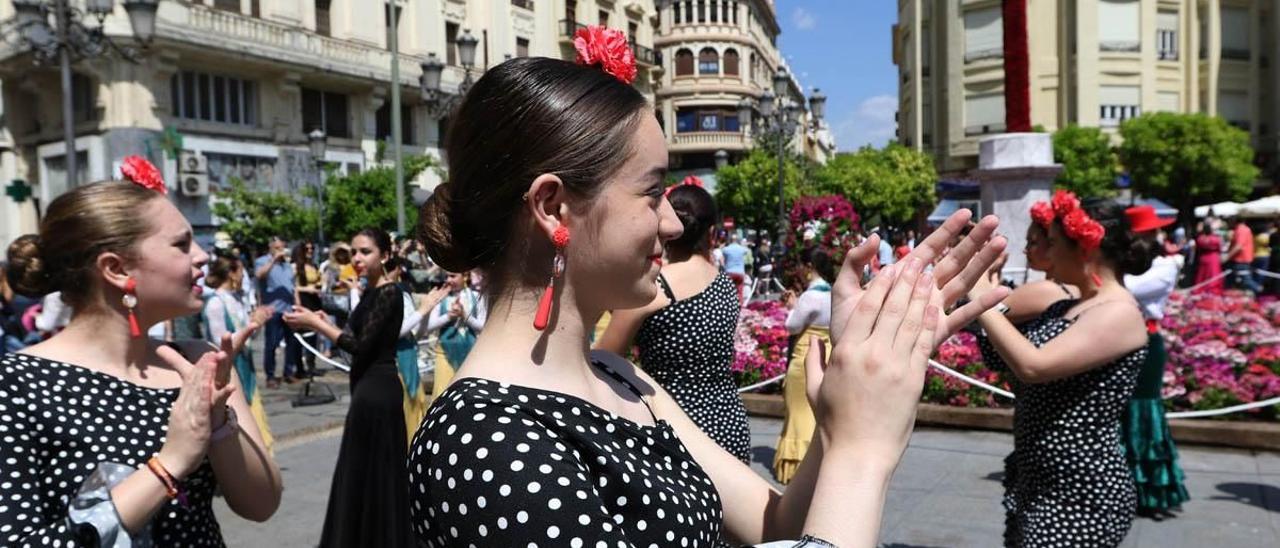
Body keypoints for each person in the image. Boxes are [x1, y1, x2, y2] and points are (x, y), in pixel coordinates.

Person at [406, 48, 1008, 547]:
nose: (672, 223)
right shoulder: (483, 442)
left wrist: (839, 418)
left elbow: (775, 524)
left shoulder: (618, 376)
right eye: (651, 192)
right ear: (552, 207)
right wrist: (861, 453)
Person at [0, 176, 281, 545]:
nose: (202, 256)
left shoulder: (197, 360)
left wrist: (220, 423)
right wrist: (170, 464)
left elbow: (261, 505)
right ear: (117, 269)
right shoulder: (16, 384)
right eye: (181, 244)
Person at [969, 193, 1153, 547]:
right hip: (1037, 483)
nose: (1047, 255)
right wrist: (988, 291)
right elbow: (1002, 356)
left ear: (1087, 248)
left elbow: (1033, 366)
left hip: (1081, 496)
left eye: (1052, 243)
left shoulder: (1119, 312)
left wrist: (981, 296)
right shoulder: (1071, 305)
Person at [596, 184, 752, 464]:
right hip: (730, 423)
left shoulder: (655, 287)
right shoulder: (724, 283)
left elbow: (603, 359)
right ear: (712, 233)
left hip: (677, 428)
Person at [283, 228, 415, 548]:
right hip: (365, 387)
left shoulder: (390, 293)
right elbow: (352, 337)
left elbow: (359, 345)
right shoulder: (368, 293)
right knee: (360, 472)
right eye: (354, 251)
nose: (357, 258)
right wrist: (323, 317)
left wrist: (318, 325)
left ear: (384, 256)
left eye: (365, 251)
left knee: (377, 472)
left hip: (378, 390)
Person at [1120, 205, 1190, 518]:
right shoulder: (1122, 262)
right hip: (1119, 340)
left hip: (1146, 341)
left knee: (1142, 410)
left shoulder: (1165, 265)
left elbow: (1130, 290)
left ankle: (1147, 487)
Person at [202, 255, 276, 454]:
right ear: (231, 273)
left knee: (256, 420)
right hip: (231, 372)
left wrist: (257, 322)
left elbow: (247, 338)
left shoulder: (235, 299)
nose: (243, 276)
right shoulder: (215, 303)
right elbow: (222, 346)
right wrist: (253, 325)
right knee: (240, 423)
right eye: (241, 271)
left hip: (246, 368)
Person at [773, 247, 835, 484]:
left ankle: (796, 465)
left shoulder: (811, 297)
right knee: (814, 411)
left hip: (804, 356)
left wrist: (792, 306)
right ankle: (817, 463)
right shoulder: (832, 294)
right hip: (826, 352)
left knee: (798, 410)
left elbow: (792, 326)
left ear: (811, 268)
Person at [423, 269, 486, 399]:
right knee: (442, 392)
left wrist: (465, 317)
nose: (448, 280)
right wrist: (448, 316)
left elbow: (483, 326)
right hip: (445, 351)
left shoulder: (476, 296)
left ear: (465, 276)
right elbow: (429, 326)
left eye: (453, 276)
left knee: (468, 394)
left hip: (470, 353)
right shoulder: (442, 298)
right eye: (446, 276)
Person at [254, 236, 302, 387]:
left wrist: (297, 303)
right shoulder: (263, 261)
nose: (280, 251)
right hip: (273, 310)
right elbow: (259, 274)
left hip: (288, 309)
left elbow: (292, 286)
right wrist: (274, 259)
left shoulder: (287, 265)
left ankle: (288, 372)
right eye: (277, 248)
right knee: (272, 344)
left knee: (291, 343)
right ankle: (270, 376)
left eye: (282, 248)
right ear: (271, 248)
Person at [292, 240, 323, 378]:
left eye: (312, 248)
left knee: (314, 333)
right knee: (301, 335)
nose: (310, 251)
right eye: (307, 249)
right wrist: (306, 290)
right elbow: (293, 287)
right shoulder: (295, 267)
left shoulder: (314, 265)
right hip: (303, 301)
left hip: (314, 300)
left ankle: (311, 364)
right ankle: (299, 367)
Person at [1225, 217, 1261, 293]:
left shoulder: (1241, 230)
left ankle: (1261, 292)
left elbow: (1238, 246)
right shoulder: (1241, 229)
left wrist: (1226, 257)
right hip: (1241, 259)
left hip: (1241, 260)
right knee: (1238, 282)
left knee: (1245, 281)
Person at [1193, 222, 1224, 293]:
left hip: (1204, 257)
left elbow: (1198, 248)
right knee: (1213, 275)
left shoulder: (1200, 239)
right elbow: (1220, 248)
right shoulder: (1216, 239)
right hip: (1214, 258)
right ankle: (1212, 290)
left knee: (1202, 275)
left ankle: (1200, 290)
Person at [721, 232, 750, 300]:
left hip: (729, 272)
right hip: (740, 272)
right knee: (739, 291)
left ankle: (729, 306)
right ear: (737, 240)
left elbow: (721, 250)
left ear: (730, 240)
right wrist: (743, 244)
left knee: (729, 291)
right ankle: (739, 306)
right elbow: (746, 250)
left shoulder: (726, 249)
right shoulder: (741, 249)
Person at [1252, 221, 1272, 290]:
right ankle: (1259, 287)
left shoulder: (1255, 236)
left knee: (1257, 272)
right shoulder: (1265, 237)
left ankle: (1257, 285)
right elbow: (1269, 246)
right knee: (1262, 272)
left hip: (1256, 255)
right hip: (1264, 256)